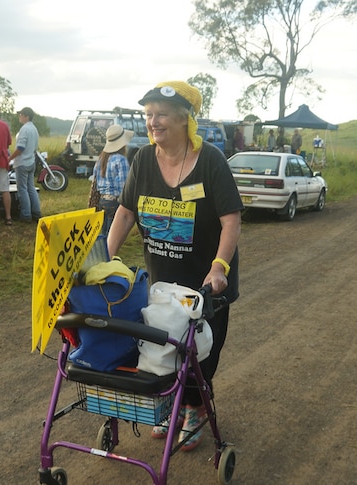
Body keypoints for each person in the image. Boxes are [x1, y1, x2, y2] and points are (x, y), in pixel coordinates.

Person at [106, 81, 243, 452]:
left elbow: (231, 219)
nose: (153, 122)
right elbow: (126, 211)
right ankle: (171, 404)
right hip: (164, 287)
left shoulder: (211, 160)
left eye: (162, 114)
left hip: (204, 285)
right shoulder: (143, 159)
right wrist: (106, 255)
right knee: (161, 350)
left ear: (185, 118)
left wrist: (219, 268)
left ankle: (195, 409)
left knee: (200, 353)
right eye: (149, 115)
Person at [92, 124, 132, 235]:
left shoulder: (101, 159)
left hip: (102, 200)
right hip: (115, 202)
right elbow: (124, 187)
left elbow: (95, 181)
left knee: (102, 234)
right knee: (112, 236)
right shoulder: (121, 160)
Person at [8, 107, 42, 223]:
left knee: (22, 189)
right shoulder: (34, 129)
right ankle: (36, 212)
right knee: (31, 188)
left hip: (22, 162)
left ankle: (26, 215)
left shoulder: (24, 129)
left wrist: (10, 158)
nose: (19, 117)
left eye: (21, 115)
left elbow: (20, 148)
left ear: (26, 116)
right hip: (31, 161)